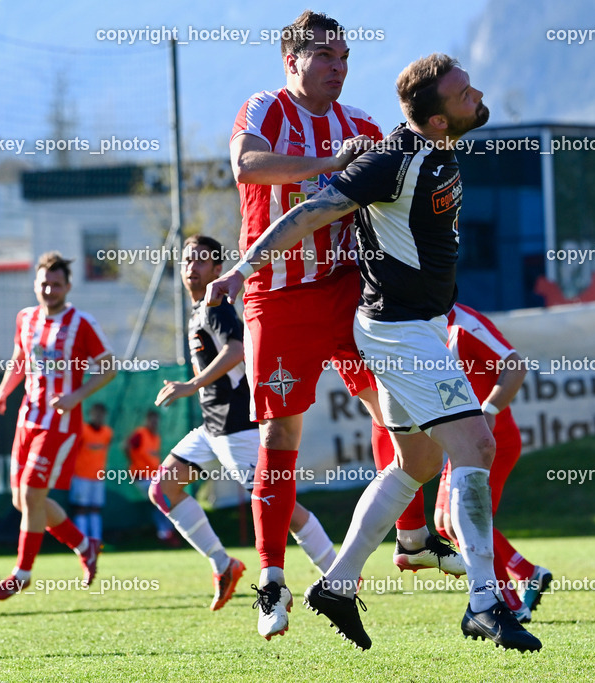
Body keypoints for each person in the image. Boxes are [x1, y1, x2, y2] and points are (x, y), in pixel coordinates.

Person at [208, 54, 541, 653]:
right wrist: (238, 274)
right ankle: (486, 601)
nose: (478, 95)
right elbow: (310, 212)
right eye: (465, 94)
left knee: (413, 463)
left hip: (413, 325)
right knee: (476, 445)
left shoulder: (433, 146)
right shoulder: (393, 160)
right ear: (438, 121)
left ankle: (337, 586)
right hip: (399, 332)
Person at [228, 10, 463, 640]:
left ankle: (413, 536)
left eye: (345, 55)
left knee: (395, 410)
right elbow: (249, 167)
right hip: (277, 297)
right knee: (281, 437)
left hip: (348, 294)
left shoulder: (362, 123)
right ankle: (272, 581)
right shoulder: (264, 109)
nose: (338, 65)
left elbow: (403, 172)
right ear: (292, 60)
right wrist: (333, 161)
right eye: (324, 55)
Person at [148, 234, 339, 616]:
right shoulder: (197, 309)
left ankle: (338, 571)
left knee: (281, 507)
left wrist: (191, 385)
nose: (192, 267)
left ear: (218, 269)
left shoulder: (215, 305)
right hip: (211, 427)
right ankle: (224, 565)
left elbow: (235, 351)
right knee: (163, 488)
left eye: (202, 261)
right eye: (188, 260)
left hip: (237, 428)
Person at [0, 251, 117, 600]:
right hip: (27, 418)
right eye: (44, 283)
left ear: (68, 286)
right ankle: (84, 544)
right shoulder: (25, 318)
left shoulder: (80, 323)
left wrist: (76, 396)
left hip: (59, 424)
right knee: (23, 500)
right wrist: (2, 393)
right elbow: (18, 359)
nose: (49, 289)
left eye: (56, 284)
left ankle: (21, 573)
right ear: (35, 284)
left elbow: (108, 367)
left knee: (31, 495)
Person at [430, 303, 552, 623]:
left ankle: (511, 604)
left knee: (466, 522)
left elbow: (516, 365)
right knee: (445, 522)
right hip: (462, 442)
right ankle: (528, 573)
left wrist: (489, 411)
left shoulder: (464, 324)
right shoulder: (423, 326)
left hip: (489, 442)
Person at [125, 410, 176, 544]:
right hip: (141, 476)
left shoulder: (156, 437)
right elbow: (126, 446)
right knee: (160, 500)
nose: (154, 423)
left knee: (159, 503)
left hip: (153, 476)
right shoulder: (141, 434)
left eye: (156, 420)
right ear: (147, 420)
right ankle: (165, 533)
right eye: (152, 419)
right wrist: (133, 462)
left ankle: (165, 533)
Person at [69, 402, 113, 542]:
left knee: (96, 509)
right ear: (90, 414)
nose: (98, 416)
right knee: (81, 508)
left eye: (101, 413)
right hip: (81, 476)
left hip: (98, 477)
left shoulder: (107, 432)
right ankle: (82, 542)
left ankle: (96, 540)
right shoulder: (82, 430)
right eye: (96, 413)